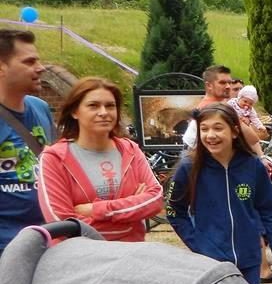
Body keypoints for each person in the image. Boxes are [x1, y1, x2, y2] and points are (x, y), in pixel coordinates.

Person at [167, 104, 272, 284]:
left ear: (234, 132)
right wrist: (198, 244)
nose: (210, 135)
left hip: (249, 260)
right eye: (204, 129)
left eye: (218, 128)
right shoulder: (189, 167)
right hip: (211, 264)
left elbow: (271, 212)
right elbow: (174, 211)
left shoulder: (253, 166)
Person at [38, 77, 162, 241]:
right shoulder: (54, 159)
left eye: (110, 106)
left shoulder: (130, 150)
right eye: (93, 105)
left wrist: (97, 210)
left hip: (131, 254)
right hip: (80, 255)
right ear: (75, 112)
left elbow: (155, 199)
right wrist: (129, 217)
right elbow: (61, 223)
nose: (104, 112)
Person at [0, 29, 54, 255]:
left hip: (47, 239)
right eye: (29, 62)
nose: (40, 68)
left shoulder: (40, 108)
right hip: (5, 247)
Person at [182, 65, 237, 149]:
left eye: (230, 82)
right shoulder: (209, 109)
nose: (228, 86)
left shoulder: (222, 104)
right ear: (209, 86)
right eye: (222, 83)